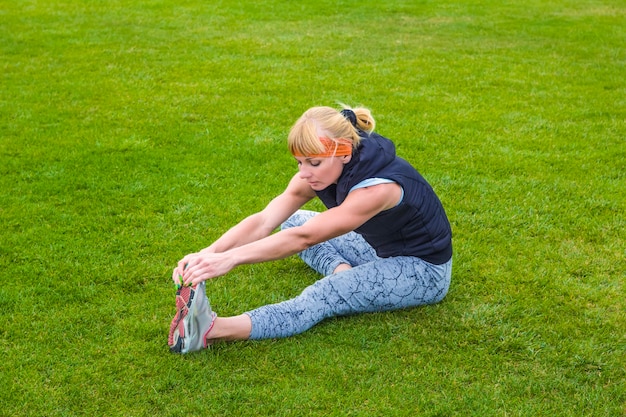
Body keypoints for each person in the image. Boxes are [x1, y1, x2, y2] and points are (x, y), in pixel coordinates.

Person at [168, 104, 453, 354]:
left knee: (324, 295)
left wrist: (231, 259)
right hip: (378, 248)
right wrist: (209, 252)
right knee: (292, 219)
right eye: (300, 162)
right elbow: (266, 219)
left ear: (343, 152)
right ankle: (343, 272)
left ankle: (211, 331)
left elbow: (305, 239)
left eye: (313, 163)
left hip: (422, 271)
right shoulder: (326, 167)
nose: (304, 173)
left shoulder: (378, 189)